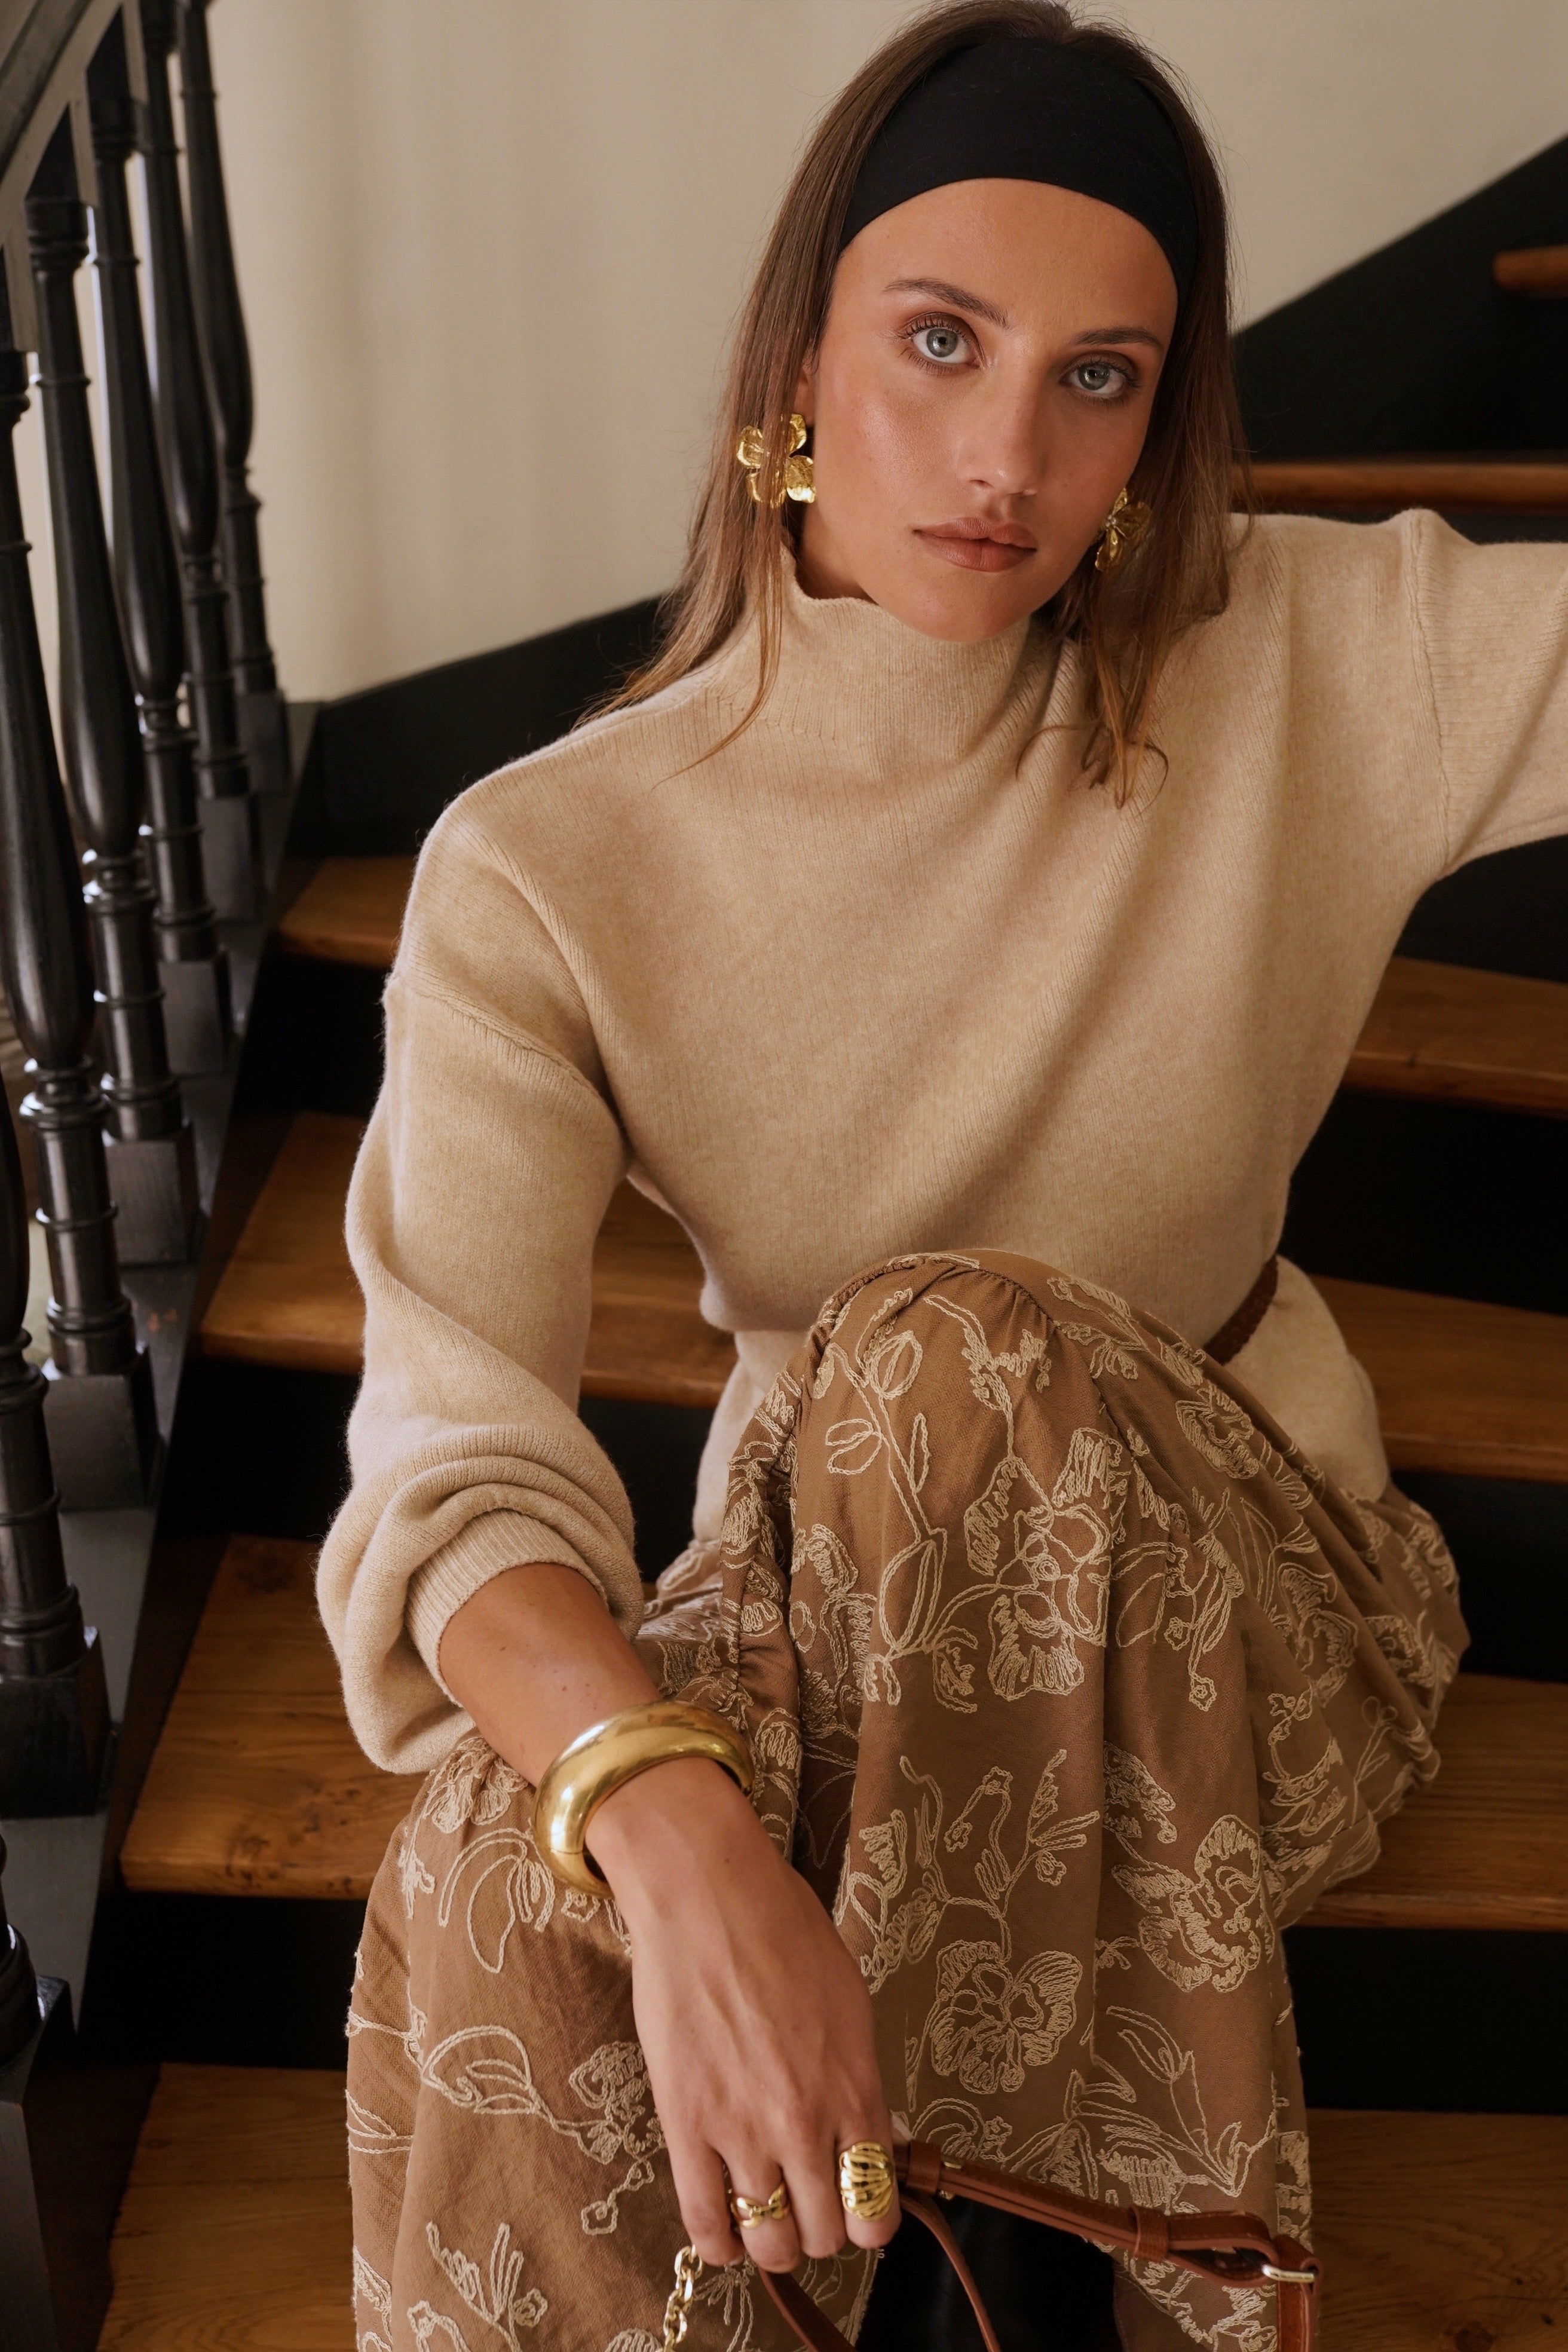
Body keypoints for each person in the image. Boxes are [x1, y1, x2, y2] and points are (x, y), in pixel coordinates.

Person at [321, 5, 1564, 2347]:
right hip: (841, 1635)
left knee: (937, 1345)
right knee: (503, 1859)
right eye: (937, 340)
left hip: (1249, 1641)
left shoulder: (1301, 661)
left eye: (1098, 380)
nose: (1009, 453)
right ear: (794, 354)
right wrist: (671, 1830)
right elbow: (454, 1461)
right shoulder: (554, 866)